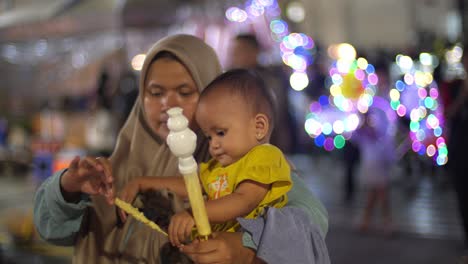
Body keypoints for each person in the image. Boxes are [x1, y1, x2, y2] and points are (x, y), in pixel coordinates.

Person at [34, 34, 329, 264]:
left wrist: (247, 246)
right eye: (155, 93)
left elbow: (312, 219)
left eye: (186, 92)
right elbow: (52, 229)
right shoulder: (116, 169)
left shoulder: (243, 159)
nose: (168, 105)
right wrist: (68, 188)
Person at [119, 69, 292, 247]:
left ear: (259, 127)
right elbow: (190, 185)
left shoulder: (264, 156)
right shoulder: (218, 166)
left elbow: (244, 200)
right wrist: (143, 183)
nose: (213, 145)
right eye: (209, 137)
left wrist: (195, 213)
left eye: (220, 133)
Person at [229, 33, 295, 154]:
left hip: (267, 144)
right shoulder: (229, 81)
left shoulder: (268, 80)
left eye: (240, 51)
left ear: (254, 52)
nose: (234, 56)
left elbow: (276, 113)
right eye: (233, 52)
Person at [352, 110, 395, 234]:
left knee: (381, 196)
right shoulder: (365, 137)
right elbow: (355, 136)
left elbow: (390, 155)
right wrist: (363, 121)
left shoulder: (383, 137)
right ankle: (370, 221)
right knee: (373, 196)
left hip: (380, 169)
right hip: (370, 169)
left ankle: (381, 222)